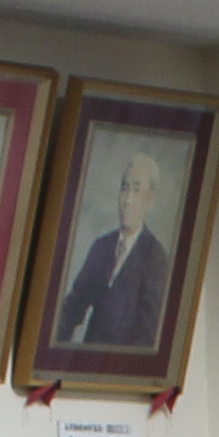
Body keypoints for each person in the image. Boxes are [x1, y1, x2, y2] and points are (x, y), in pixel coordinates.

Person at [49, 148, 173, 352]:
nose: (127, 200)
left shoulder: (156, 259)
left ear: (149, 200)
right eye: (124, 188)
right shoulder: (102, 247)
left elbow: (149, 336)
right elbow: (73, 306)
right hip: (86, 361)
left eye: (136, 190)